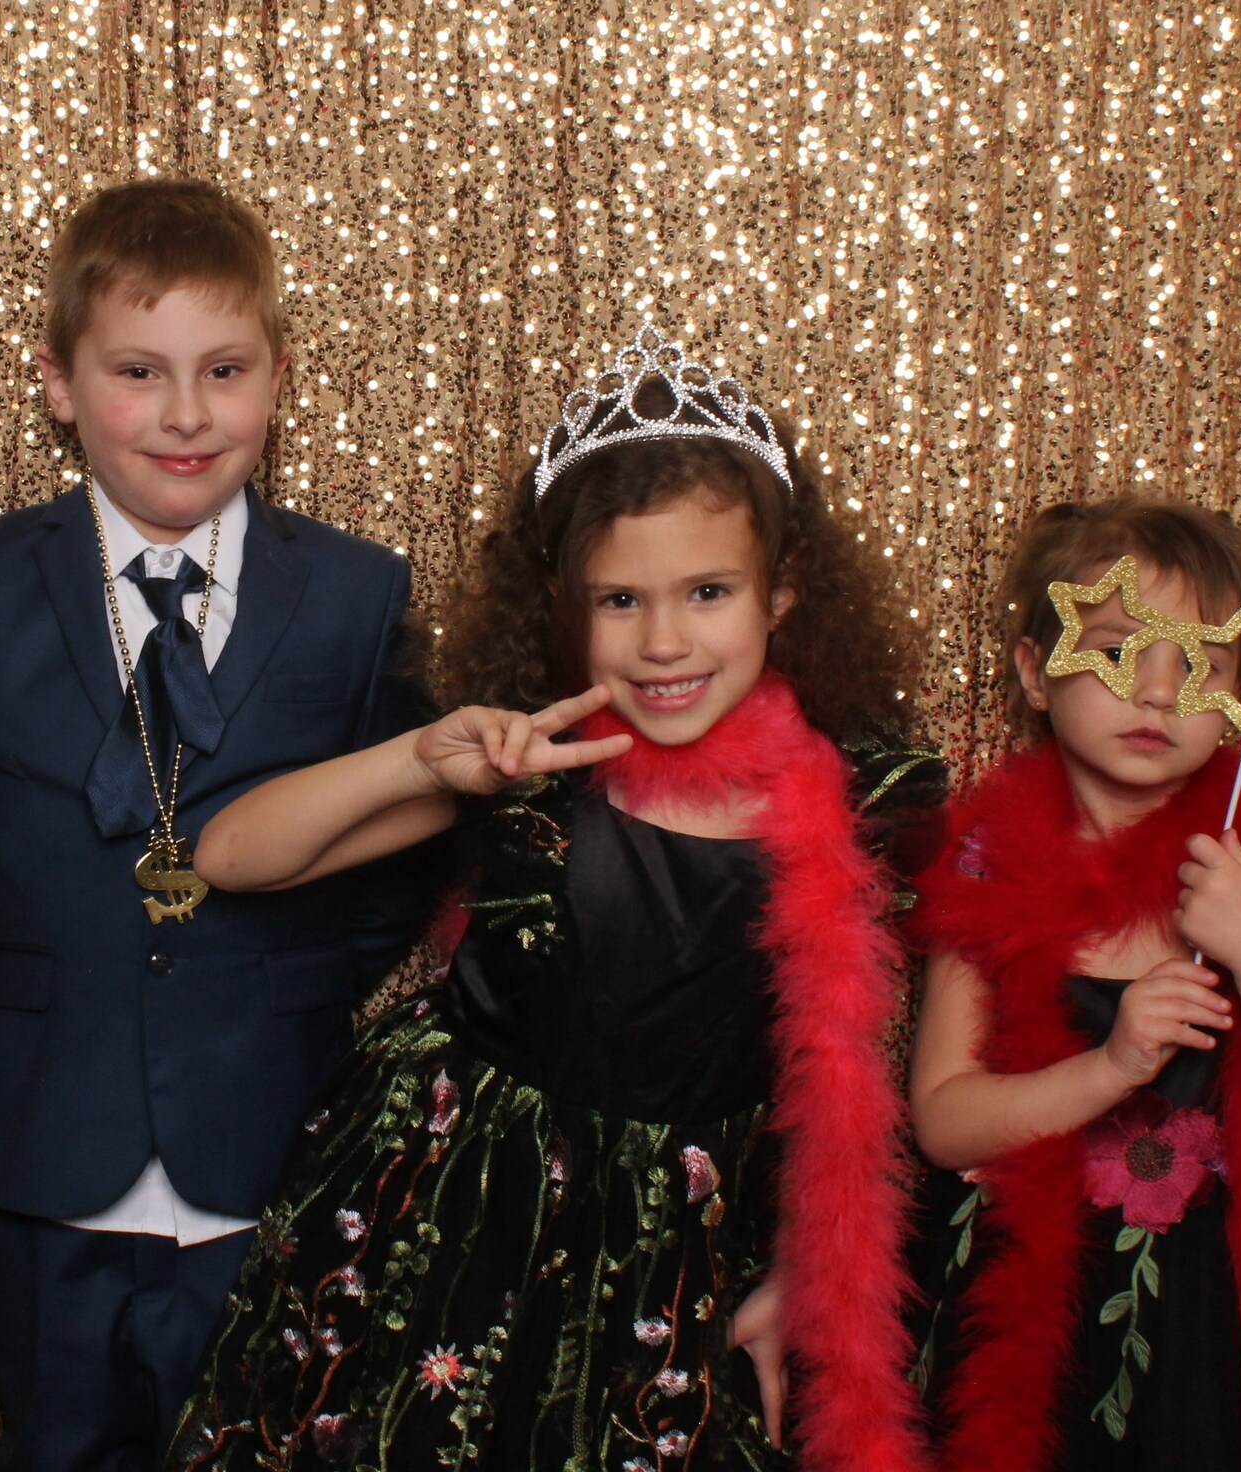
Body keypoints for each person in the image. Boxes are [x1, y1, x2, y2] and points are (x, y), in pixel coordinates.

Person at [165, 322, 942, 1472]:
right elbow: (231, 857)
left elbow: (844, 1078)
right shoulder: (530, 761)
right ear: (561, 599)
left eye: (708, 591)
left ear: (782, 593)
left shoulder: (861, 795)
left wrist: (805, 1271)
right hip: (459, 1219)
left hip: (677, 1258)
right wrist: (420, 760)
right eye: (619, 599)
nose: (664, 640)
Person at [0, 177, 438, 1472]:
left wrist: (303, 987)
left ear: (277, 379)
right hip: (48, 1152)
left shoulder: (356, 595)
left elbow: (412, 834)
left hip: (272, 1138)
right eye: (138, 372)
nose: (186, 413)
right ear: (58, 383)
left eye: (225, 370)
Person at [907, 498, 1241, 1471]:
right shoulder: (985, 870)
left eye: (1198, 666)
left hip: (1234, 1320)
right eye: (1116, 651)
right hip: (1036, 1313)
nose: (1155, 693)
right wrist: (1111, 1067)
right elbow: (944, 1122)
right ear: (1035, 672)